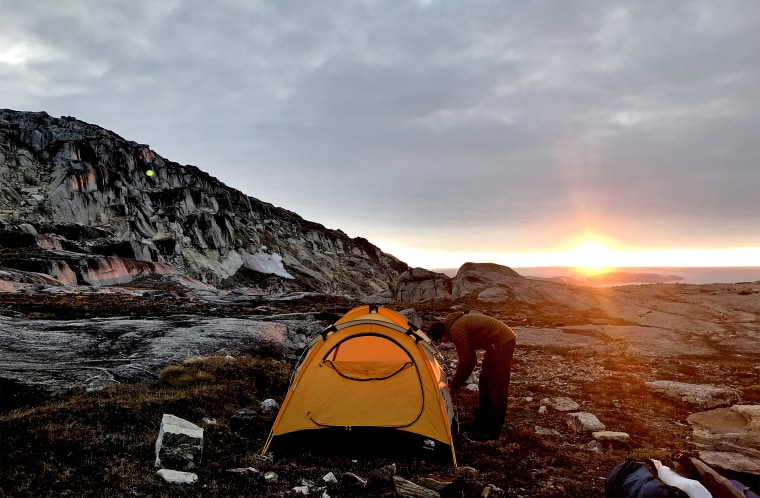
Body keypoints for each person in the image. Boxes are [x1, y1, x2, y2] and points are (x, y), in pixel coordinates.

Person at [429, 311, 516, 441]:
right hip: (494, 346)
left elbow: (465, 361)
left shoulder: (456, 330)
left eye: (441, 340)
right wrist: (457, 383)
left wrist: (455, 385)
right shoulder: (455, 327)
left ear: (443, 334)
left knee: (497, 388)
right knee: (484, 384)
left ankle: (493, 431)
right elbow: (471, 360)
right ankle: (481, 421)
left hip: (503, 343)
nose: (443, 343)